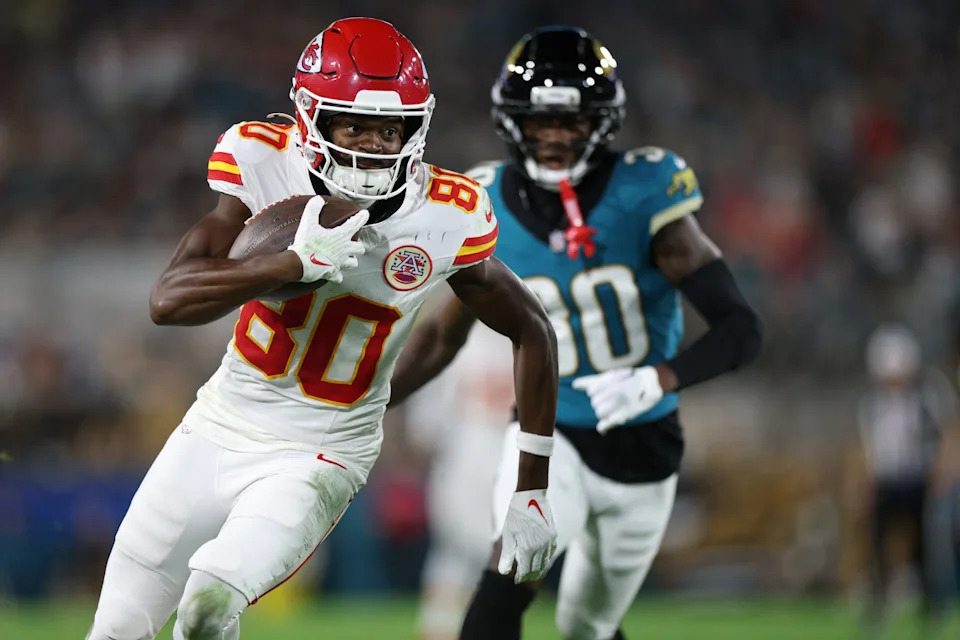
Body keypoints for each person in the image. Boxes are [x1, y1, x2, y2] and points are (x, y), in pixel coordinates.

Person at [86, 18, 559, 640]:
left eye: (388, 129)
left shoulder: (445, 214)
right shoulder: (264, 162)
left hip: (322, 451)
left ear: (414, 128)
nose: (370, 145)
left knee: (207, 605)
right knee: (117, 627)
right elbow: (167, 301)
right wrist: (286, 264)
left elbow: (532, 329)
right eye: (351, 124)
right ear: (310, 119)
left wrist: (532, 486)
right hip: (217, 424)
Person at [390, 26, 763, 640]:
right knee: (506, 575)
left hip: (644, 443)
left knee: (587, 625)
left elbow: (742, 328)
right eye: (540, 121)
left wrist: (660, 378)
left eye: (573, 121)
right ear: (513, 120)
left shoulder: (645, 192)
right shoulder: (481, 204)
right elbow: (442, 335)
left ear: (604, 121)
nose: (557, 136)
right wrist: (368, 400)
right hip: (548, 428)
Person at [858, 324, 955, 636]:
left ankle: (932, 609)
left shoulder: (928, 395)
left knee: (924, 550)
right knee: (878, 546)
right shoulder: (871, 404)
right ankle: (880, 606)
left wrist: (943, 472)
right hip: (887, 481)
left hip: (920, 478)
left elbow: (947, 435)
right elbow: (869, 445)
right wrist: (867, 480)